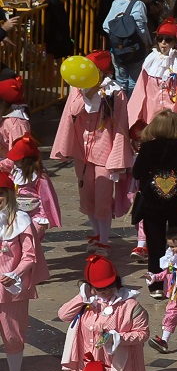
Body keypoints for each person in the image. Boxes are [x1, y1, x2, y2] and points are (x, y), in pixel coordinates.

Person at [52, 51, 133, 255]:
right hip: (82, 153)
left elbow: (121, 125)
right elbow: (72, 112)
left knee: (103, 198)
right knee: (86, 197)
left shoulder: (115, 93)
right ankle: (96, 235)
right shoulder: (78, 90)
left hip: (105, 153)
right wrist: (87, 94)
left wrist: (117, 158)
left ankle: (104, 240)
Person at [131, 110, 177, 298]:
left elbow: (136, 173)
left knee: (155, 243)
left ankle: (156, 284)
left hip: (152, 205)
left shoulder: (147, 148)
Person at [58, 255, 148, 371]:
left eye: (110, 287)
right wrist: (83, 296)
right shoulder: (86, 302)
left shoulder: (130, 305)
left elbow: (143, 333)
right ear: (91, 287)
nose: (106, 291)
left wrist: (117, 338)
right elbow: (64, 315)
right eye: (101, 288)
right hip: (87, 363)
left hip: (118, 365)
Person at [0, 170, 49, 371]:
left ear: (9, 194)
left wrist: (15, 274)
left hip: (11, 290)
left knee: (13, 335)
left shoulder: (21, 220)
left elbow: (30, 255)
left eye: (0, 194)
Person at [127, 19, 177, 127]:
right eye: (160, 38)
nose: (163, 42)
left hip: (174, 120)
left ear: (175, 42)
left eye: (168, 39)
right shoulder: (150, 60)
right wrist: (134, 120)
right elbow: (139, 93)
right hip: (151, 120)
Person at [2, 133, 62, 236]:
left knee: (32, 241)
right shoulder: (14, 170)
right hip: (17, 213)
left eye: (17, 159)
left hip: (34, 216)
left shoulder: (40, 177)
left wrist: (42, 219)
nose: (14, 160)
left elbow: (46, 198)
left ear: (26, 160)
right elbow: (4, 164)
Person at [103, 0, 153, 94]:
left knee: (120, 80)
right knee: (134, 81)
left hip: (117, 50)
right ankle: (131, 108)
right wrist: (147, 44)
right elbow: (141, 28)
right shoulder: (138, 4)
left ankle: (121, 107)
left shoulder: (115, 3)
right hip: (135, 49)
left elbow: (106, 26)